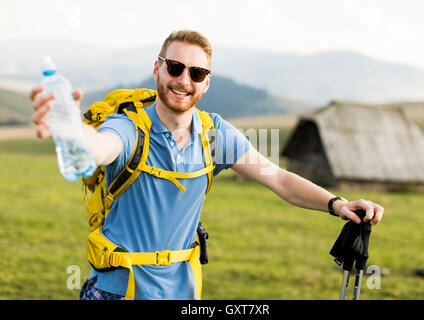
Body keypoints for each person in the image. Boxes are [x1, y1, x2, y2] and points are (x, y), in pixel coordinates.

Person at [30, 30, 384, 300]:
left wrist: (338, 205)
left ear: (207, 82)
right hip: (117, 292)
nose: (184, 80)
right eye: (175, 67)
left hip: (183, 293)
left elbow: (279, 178)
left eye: (197, 73)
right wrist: (72, 130)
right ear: (157, 69)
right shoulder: (130, 127)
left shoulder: (213, 135)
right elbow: (100, 147)